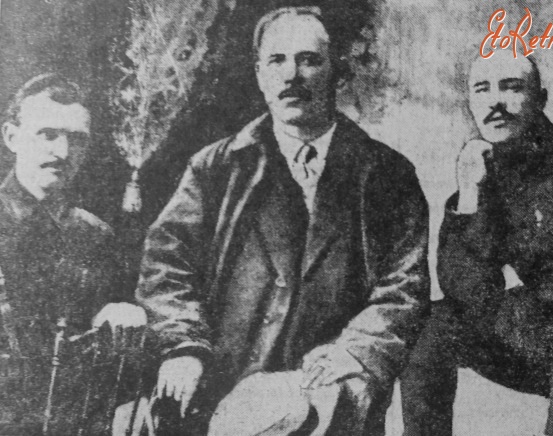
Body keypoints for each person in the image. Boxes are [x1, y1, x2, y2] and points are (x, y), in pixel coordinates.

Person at [136, 6, 429, 435]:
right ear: (259, 74)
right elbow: (166, 268)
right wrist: (184, 346)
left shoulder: (387, 175)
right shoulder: (216, 168)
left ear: (336, 71)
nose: (291, 75)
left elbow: (403, 286)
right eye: (277, 60)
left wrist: (356, 351)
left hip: (326, 383)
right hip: (219, 380)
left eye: (309, 60)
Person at [401, 50, 553, 436]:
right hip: (535, 342)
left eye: (512, 88)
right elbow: (464, 292)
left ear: (540, 99)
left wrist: (526, 294)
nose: (496, 102)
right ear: (471, 103)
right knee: (431, 322)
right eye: (482, 89)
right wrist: (469, 193)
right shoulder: (481, 178)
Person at [0, 73, 146, 434]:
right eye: (48, 135)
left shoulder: (95, 236)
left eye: (77, 139)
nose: (63, 153)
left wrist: (120, 313)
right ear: (11, 137)